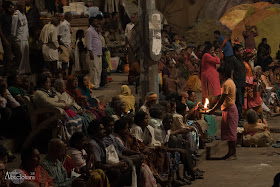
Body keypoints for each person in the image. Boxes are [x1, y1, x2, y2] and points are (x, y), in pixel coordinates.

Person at [88, 120, 132, 187]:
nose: (104, 131)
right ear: (94, 132)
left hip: (107, 165)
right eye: (101, 130)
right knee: (116, 172)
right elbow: (98, 165)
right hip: (98, 170)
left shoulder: (101, 141)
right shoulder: (93, 144)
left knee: (126, 164)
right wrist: (116, 165)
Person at [208, 65, 238, 160]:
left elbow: (222, 99)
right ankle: (230, 152)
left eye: (220, 74)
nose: (219, 76)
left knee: (231, 133)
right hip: (229, 109)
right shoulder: (230, 82)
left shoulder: (226, 84)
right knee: (230, 132)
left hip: (230, 109)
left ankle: (233, 153)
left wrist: (213, 110)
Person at [0, 1, 22, 75]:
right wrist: (4, 40)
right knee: (8, 57)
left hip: (10, 37)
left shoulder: (10, 15)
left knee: (19, 53)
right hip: (5, 37)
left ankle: (12, 71)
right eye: (10, 7)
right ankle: (6, 74)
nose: (11, 9)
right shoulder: (2, 16)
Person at [11, 2, 31, 75]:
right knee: (21, 56)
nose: (23, 8)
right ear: (18, 7)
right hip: (19, 39)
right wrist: (14, 38)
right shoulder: (16, 16)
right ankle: (19, 71)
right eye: (22, 6)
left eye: (24, 6)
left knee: (25, 57)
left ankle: (25, 70)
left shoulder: (24, 15)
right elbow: (14, 29)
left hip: (25, 38)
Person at [85, 17, 103, 89]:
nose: (96, 23)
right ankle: (94, 84)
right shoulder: (89, 31)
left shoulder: (95, 31)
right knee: (94, 69)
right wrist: (90, 52)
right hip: (94, 53)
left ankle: (97, 83)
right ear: (91, 22)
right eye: (95, 21)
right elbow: (88, 42)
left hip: (98, 52)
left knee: (98, 69)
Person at [232, 44, 246, 122]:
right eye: (240, 50)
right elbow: (232, 73)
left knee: (241, 102)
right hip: (237, 85)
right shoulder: (234, 60)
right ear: (236, 52)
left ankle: (239, 118)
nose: (242, 52)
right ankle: (237, 119)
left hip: (242, 84)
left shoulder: (240, 60)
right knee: (238, 102)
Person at [58, 12, 72, 77]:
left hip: (68, 45)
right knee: (64, 61)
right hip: (64, 44)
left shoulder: (68, 24)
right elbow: (59, 35)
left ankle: (69, 75)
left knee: (71, 60)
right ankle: (64, 75)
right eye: (70, 16)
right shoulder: (63, 25)